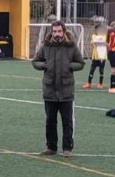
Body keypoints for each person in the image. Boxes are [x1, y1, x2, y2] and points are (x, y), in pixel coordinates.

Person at [31, 20, 84, 158]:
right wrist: (44, 65)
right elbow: (35, 61)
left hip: (66, 90)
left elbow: (81, 63)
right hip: (50, 90)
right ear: (51, 32)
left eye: (59, 31)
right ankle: (51, 147)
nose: (57, 34)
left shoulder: (71, 46)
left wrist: (69, 66)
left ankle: (67, 148)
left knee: (67, 121)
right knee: (50, 121)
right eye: (54, 31)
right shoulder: (46, 46)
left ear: (64, 31)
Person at [83, 21, 107, 89]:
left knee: (101, 70)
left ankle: (100, 84)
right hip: (95, 56)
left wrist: (98, 41)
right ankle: (89, 83)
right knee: (92, 70)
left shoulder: (104, 36)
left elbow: (99, 42)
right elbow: (96, 42)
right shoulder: (94, 36)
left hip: (102, 56)